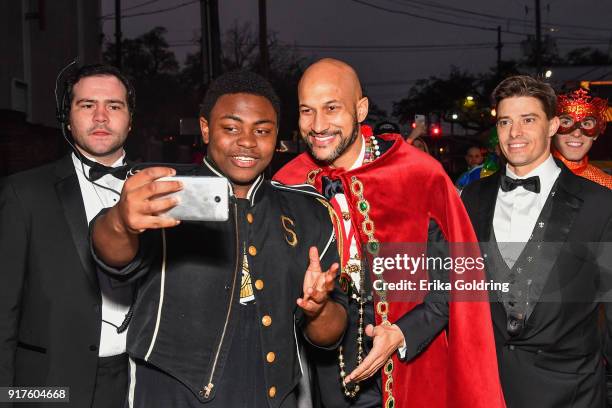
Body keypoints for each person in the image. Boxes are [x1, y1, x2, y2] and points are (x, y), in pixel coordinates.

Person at [90, 70, 347, 407]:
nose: (247, 141)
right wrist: (122, 222)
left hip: (273, 394)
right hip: (172, 394)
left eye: (262, 131)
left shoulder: (308, 212)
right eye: (231, 128)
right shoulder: (165, 191)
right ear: (206, 129)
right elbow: (111, 252)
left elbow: (329, 335)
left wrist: (319, 308)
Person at [274, 58, 504, 408]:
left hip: (411, 366)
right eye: (307, 111)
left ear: (361, 108)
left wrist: (401, 333)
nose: (318, 125)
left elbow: (458, 279)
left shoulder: (418, 174)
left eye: (332, 108)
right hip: (323, 380)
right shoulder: (288, 184)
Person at [461, 75, 612, 407]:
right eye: (505, 121)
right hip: (489, 390)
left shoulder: (600, 204)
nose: (515, 133)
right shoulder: (471, 197)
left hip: (572, 396)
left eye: (528, 119)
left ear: (553, 125)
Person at [0, 64, 135, 407]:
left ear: (130, 119)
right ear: (67, 118)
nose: (101, 117)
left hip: (137, 384)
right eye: (87, 105)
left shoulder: (162, 189)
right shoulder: (23, 192)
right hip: (49, 388)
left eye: (114, 106)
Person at [552, 87, 612, 189]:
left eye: (587, 124)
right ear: (551, 128)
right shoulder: (526, 179)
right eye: (566, 122)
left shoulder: (606, 184)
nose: (576, 133)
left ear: (596, 133)